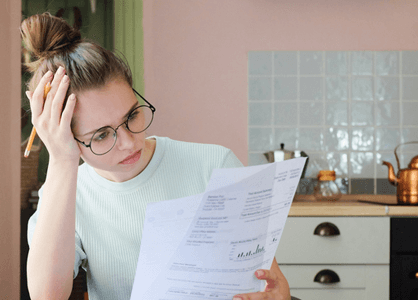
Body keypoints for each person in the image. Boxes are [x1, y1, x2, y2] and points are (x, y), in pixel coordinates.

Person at [22, 12, 294, 300]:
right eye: (101, 135)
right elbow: (46, 296)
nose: (128, 143)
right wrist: (62, 160)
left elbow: (267, 281)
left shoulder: (215, 167)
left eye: (132, 116)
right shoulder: (66, 197)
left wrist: (278, 295)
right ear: (67, 137)